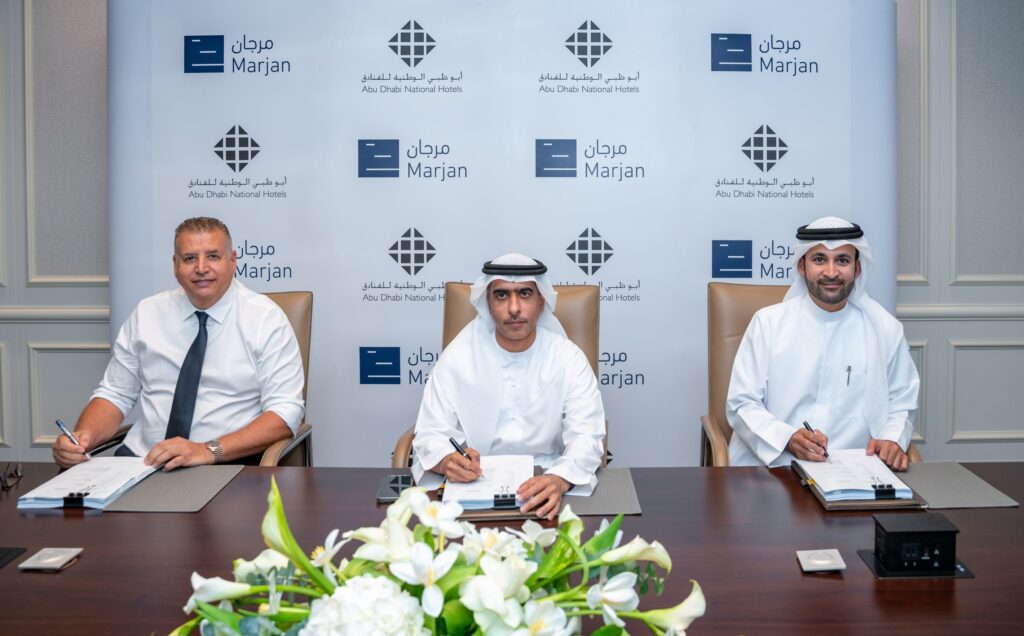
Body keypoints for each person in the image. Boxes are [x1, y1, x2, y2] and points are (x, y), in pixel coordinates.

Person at [52, 217, 304, 470]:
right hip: (143, 461)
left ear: (233, 260)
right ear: (175, 265)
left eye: (213, 256)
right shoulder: (147, 313)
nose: (201, 268)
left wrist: (206, 450)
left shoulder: (265, 319)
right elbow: (115, 394)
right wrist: (83, 438)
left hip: (224, 463)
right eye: (190, 258)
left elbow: (285, 412)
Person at [412, 253, 606, 519]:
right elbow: (430, 433)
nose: (514, 308)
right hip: (473, 488)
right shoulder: (458, 358)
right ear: (488, 304)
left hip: (548, 484)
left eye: (525, 294)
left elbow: (587, 435)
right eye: (501, 295)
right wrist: (447, 460)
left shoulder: (568, 358)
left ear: (541, 302)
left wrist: (560, 479)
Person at [727, 216, 919, 471]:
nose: (831, 272)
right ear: (802, 267)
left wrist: (892, 439)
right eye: (819, 259)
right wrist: (787, 438)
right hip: (775, 466)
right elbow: (742, 403)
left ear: (857, 269)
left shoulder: (885, 329)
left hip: (854, 469)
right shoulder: (768, 324)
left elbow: (902, 402)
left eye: (842, 260)